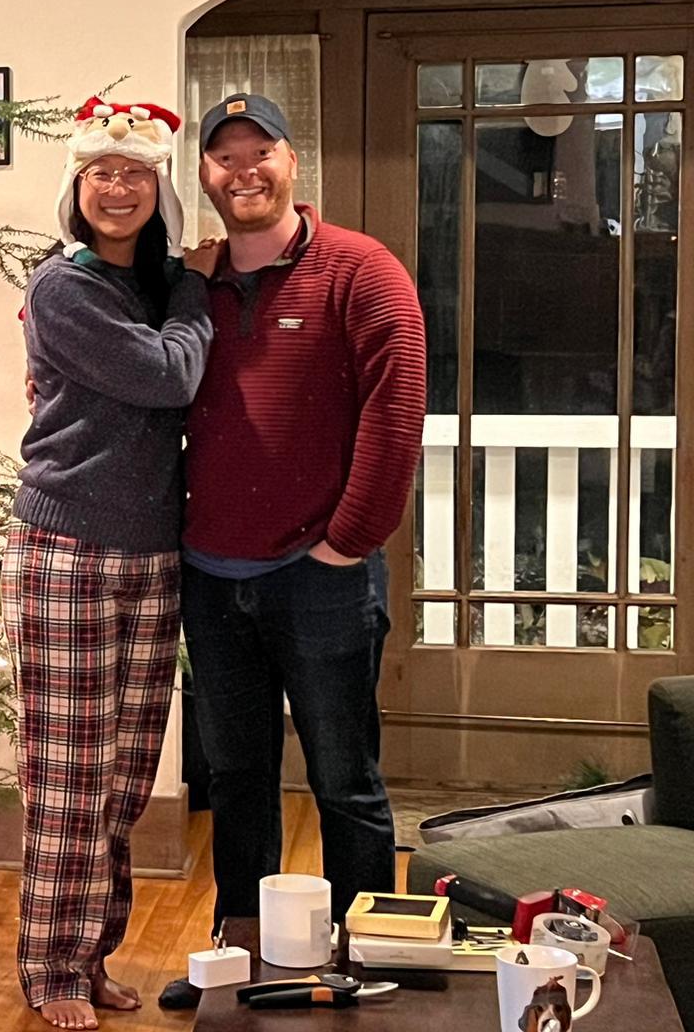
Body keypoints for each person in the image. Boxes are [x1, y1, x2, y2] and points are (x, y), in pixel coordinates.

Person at [180, 93, 427, 934]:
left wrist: (345, 545)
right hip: (210, 580)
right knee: (235, 781)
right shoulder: (191, 284)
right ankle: (244, 957)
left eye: (261, 152)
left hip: (322, 578)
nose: (243, 171)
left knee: (344, 783)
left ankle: (366, 958)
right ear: (204, 174)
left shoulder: (362, 270)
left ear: (293, 160)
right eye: (224, 157)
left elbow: (396, 413)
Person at [3, 97, 222, 1031]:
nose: (120, 189)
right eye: (102, 173)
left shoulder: (155, 285)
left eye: (136, 173)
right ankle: (51, 969)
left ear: (159, 189)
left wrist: (184, 290)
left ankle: (91, 955)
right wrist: (196, 293)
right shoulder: (67, 286)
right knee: (68, 777)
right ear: (77, 187)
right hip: (67, 550)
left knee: (126, 776)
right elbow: (170, 376)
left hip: (151, 551)